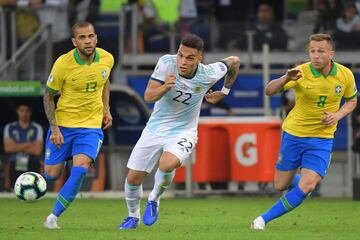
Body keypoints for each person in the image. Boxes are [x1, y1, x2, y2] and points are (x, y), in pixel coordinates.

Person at [119, 33, 240, 230]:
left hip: (184, 131)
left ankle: (154, 199)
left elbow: (234, 62)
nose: (183, 61)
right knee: (133, 178)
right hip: (155, 128)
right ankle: (133, 216)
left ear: (199, 58)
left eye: (190, 58)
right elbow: (149, 96)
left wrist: (224, 92)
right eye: (180, 55)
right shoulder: (167, 63)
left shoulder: (209, 72)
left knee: (167, 164)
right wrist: (165, 87)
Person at [251, 33, 357, 230]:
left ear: (331, 53)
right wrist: (285, 78)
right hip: (294, 134)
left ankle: (262, 220)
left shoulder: (345, 74)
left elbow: (352, 100)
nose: (315, 55)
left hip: (322, 138)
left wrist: (338, 115)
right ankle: (302, 184)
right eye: (312, 51)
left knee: (308, 185)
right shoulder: (300, 72)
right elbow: (268, 91)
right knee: (281, 185)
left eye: (321, 51)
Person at [42, 21, 114, 229]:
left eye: (90, 36)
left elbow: (105, 82)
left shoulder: (107, 59)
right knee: (52, 174)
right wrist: (55, 129)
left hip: (91, 127)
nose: (88, 41)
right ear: (74, 42)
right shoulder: (63, 64)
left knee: (81, 168)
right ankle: (62, 157)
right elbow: (48, 96)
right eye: (82, 38)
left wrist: (106, 109)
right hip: (63, 125)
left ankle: (53, 217)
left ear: (96, 38)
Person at [3, 103, 43, 189]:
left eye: (27, 111)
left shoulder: (37, 127)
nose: (24, 113)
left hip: (32, 162)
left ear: (30, 112)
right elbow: (8, 148)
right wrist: (28, 144)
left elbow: (37, 150)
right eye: (21, 111)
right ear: (17, 111)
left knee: (32, 188)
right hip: (15, 163)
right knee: (15, 189)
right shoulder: (10, 127)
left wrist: (16, 146)